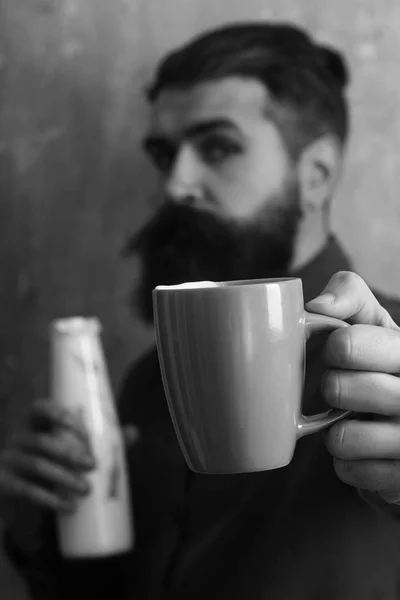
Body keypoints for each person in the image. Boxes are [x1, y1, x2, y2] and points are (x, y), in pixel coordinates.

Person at [1, 21, 400, 600]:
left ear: (315, 177)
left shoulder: (396, 360)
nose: (176, 185)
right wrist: (38, 521)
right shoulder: (147, 381)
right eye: (166, 155)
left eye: (217, 147)